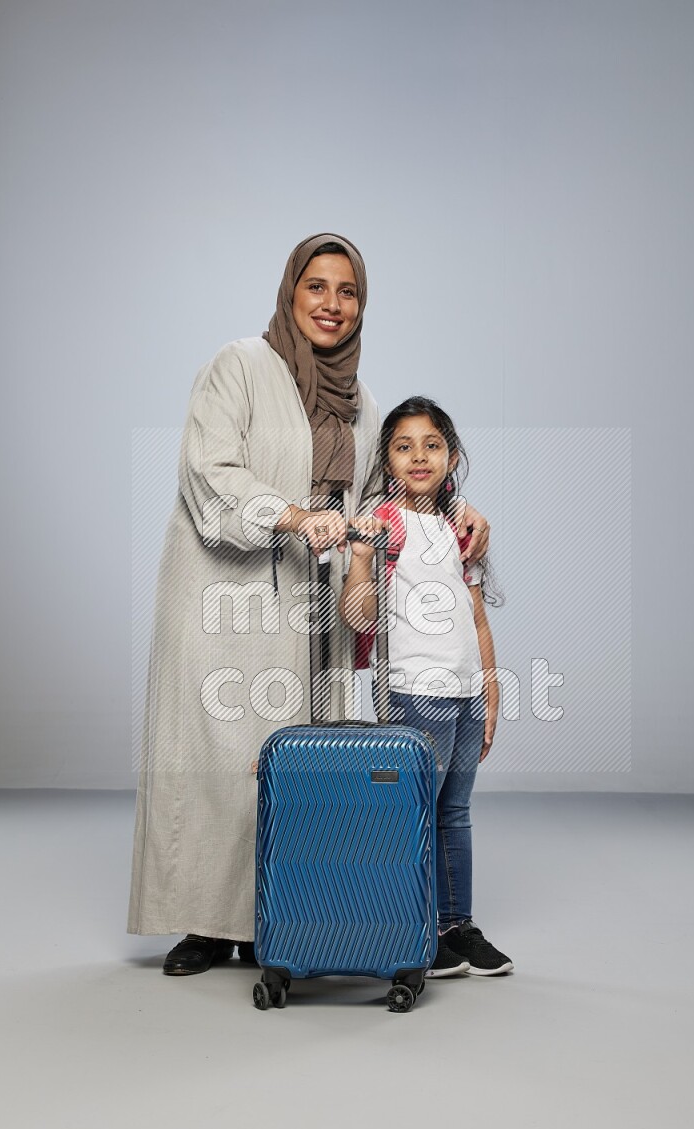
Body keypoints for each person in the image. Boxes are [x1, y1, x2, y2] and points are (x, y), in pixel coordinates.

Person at [128, 235, 492, 975]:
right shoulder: (238, 367)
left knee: (290, 761)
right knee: (216, 753)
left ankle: (275, 915)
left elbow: (384, 503)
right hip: (221, 591)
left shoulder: (363, 404)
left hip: (310, 599)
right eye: (317, 287)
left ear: (363, 306)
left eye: (348, 291)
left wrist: (460, 511)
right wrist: (292, 515)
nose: (332, 305)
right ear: (291, 292)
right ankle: (204, 923)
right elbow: (210, 472)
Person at [340, 397, 513, 977]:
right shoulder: (383, 522)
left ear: (452, 456)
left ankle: (455, 925)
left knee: (454, 810)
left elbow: (477, 615)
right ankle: (414, 926)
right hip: (414, 688)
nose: (419, 456)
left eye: (432, 445)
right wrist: (361, 560)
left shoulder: (461, 527)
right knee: (414, 809)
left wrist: (490, 693)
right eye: (403, 446)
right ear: (387, 461)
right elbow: (358, 615)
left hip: (465, 692)